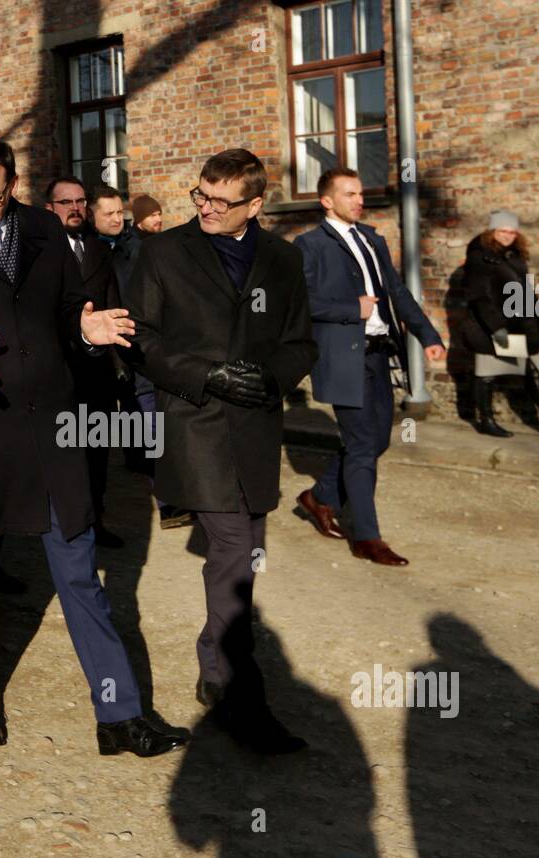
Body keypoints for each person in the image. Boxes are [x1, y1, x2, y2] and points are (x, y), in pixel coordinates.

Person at [0, 135, 188, 757]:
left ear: (13, 183)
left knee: (81, 576)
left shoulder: (43, 228)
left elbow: (67, 308)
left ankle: (119, 713)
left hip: (55, 432)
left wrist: (85, 330)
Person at [124, 149, 317, 754]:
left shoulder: (284, 259)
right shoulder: (161, 252)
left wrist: (274, 380)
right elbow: (141, 340)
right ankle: (242, 700)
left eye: (221, 201)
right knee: (234, 548)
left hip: (256, 426)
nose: (206, 208)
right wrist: (206, 375)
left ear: (255, 206)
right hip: (194, 423)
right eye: (200, 196)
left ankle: (213, 661)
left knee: (247, 548)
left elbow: (300, 342)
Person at [293, 167, 446, 567]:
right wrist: (350, 310)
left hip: (380, 353)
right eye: (349, 194)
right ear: (327, 201)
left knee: (377, 441)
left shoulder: (372, 239)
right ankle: (367, 537)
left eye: (360, 193)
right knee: (362, 446)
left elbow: (396, 292)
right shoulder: (308, 245)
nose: (359, 200)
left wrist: (427, 335)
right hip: (343, 357)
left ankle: (320, 496)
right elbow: (298, 304)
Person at [87, 184, 190, 529]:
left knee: (148, 419)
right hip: (93, 352)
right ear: (92, 215)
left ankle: (169, 501)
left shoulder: (139, 248)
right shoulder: (82, 250)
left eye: (121, 213)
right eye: (109, 214)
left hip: (135, 345)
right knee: (96, 439)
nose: (118, 219)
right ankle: (93, 515)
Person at [44, 177, 124, 549]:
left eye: (80, 201)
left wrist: (118, 359)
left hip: (96, 371)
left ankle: (97, 519)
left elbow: (113, 305)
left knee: (96, 452)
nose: (74, 208)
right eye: (65, 203)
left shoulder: (99, 250)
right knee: (60, 454)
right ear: (50, 209)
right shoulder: (36, 250)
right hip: (54, 369)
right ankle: (60, 526)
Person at [462, 210, 539, 438]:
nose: (508, 236)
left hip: (518, 322)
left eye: (512, 232)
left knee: (535, 366)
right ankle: (486, 420)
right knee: (487, 370)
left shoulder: (514, 256)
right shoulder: (479, 257)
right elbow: (478, 296)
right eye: (503, 231)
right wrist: (496, 328)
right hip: (490, 325)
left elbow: (525, 291)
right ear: (491, 231)